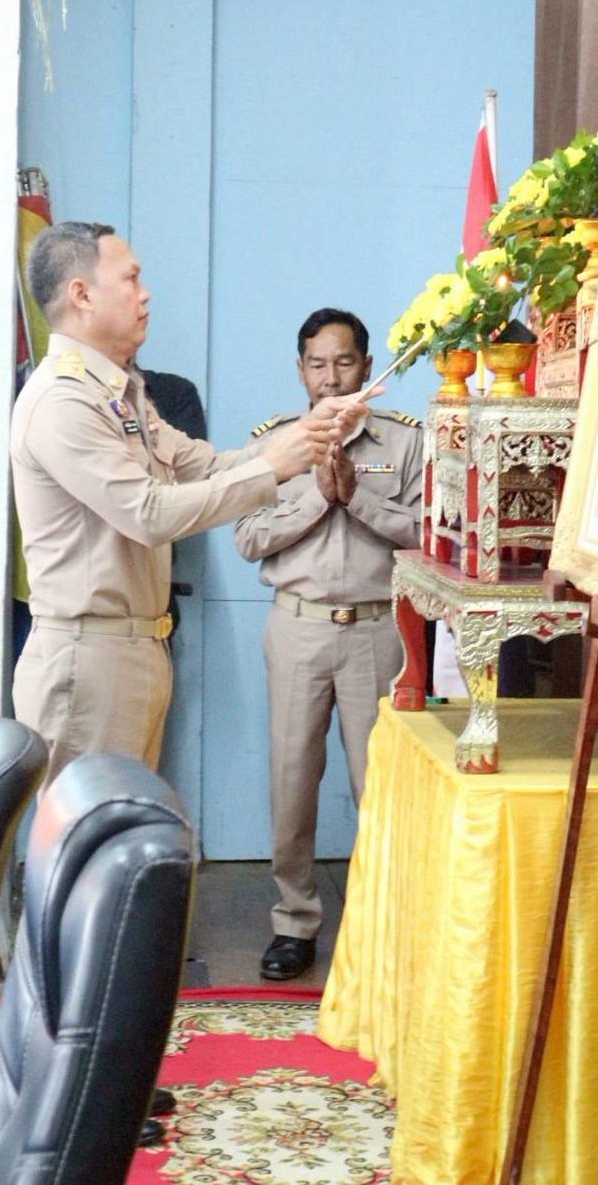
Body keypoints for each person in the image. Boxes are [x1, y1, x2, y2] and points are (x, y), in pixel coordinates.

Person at [10, 222, 365, 789]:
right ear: (82, 295)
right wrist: (274, 467)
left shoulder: (116, 392)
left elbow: (206, 464)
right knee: (91, 832)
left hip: (134, 648)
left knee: (126, 824)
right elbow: (148, 514)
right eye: (130, 279)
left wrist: (304, 436)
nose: (145, 294)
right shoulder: (63, 399)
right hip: (88, 654)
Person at [234, 308, 423, 981]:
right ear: (300, 371)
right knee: (292, 781)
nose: (331, 377)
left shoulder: (405, 442)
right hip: (298, 628)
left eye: (344, 362)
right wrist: (318, 497)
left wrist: (356, 498)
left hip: (378, 629)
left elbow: (429, 533)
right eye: (317, 364)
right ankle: (294, 922)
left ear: (367, 368)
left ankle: (382, 926)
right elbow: (248, 537)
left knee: (382, 786)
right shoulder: (276, 445)